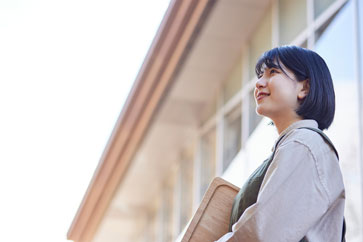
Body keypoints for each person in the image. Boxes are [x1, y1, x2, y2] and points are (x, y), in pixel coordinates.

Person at [215, 46, 345, 242]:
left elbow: (263, 235)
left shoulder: (305, 144)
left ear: (304, 88)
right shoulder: (295, 145)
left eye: (273, 72)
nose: (258, 83)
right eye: (260, 75)